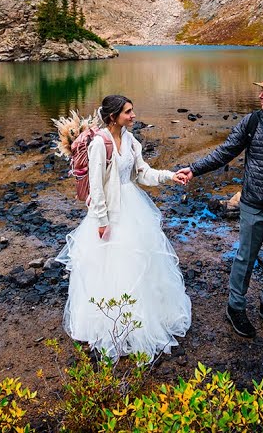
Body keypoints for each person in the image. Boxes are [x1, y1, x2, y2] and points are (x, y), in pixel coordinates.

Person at [176, 72, 263, 338]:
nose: (261, 96)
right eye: (261, 91)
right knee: (245, 257)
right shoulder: (252, 122)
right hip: (254, 203)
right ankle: (236, 307)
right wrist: (194, 169)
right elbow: (226, 151)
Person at [55, 94, 193, 361]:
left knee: (140, 263)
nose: (133, 116)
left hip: (132, 206)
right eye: (128, 112)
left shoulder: (130, 139)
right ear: (113, 117)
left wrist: (169, 176)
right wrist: (102, 221)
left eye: (132, 110)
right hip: (109, 213)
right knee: (110, 267)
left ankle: (140, 322)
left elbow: (142, 172)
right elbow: (96, 185)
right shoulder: (99, 143)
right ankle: (111, 325)